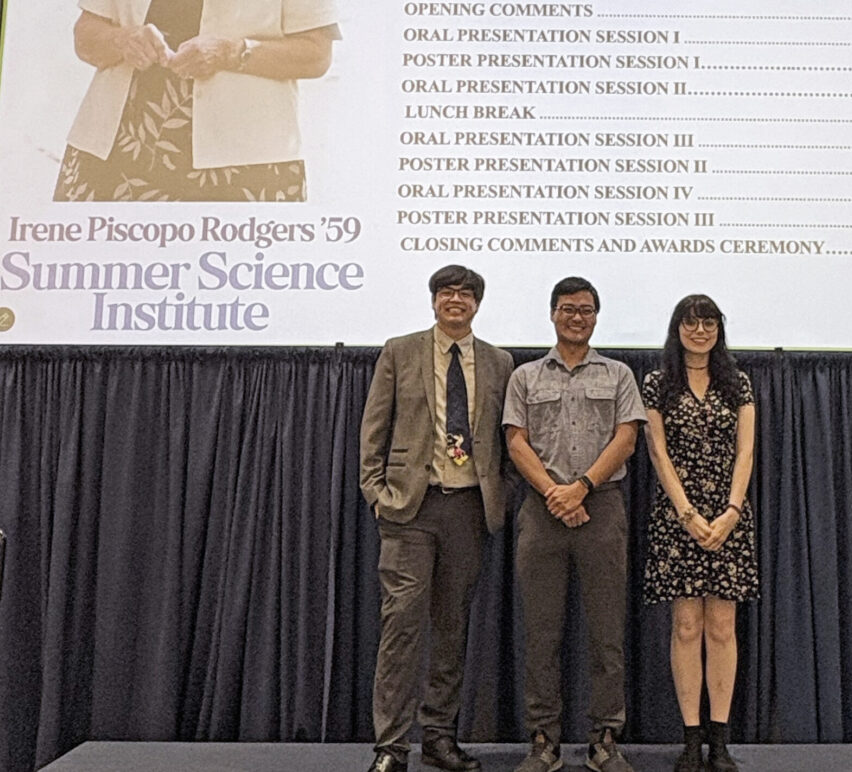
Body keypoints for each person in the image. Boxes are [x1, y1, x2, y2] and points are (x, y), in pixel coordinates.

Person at [360, 265, 515, 772]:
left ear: (477, 304)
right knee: (401, 626)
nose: (456, 300)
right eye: (447, 292)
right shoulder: (399, 350)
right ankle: (391, 746)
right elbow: (374, 429)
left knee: (452, 627)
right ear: (433, 301)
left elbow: (506, 438)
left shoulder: (499, 362)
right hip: (410, 508)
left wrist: (501, 495)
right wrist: (376, 493)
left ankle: (439, 738)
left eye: (466, 294)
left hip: (469, 509)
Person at [502, 277, 647, 772]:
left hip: (602, 508)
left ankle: (604, 737)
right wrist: (555, 494)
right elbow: (516, 442)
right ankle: (544, 740)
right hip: (541, 513)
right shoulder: (524, 377)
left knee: (606, 632)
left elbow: (627, 438)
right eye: (568, 309)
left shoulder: (620, 374)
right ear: (552, 314)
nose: (577, 317)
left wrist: (581, 488)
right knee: (541, 634)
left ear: (596, 316)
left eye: (585, 310)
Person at [55, 0, 340, 201]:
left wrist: (231, 52)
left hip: (245, 169)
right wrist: (123, 40)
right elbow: (85, 37)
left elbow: (315, 54)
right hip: (114, 157)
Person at [641, 294, 758, 772]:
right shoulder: (657, 383)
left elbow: (746, 452)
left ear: (719, 329)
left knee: (722, 628)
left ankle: (720, 741)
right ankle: (691, 739)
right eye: (691, 322)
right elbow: (657, 454)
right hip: (679, 517)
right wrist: (687, 513)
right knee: (686, 627)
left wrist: (731, 511)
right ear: (677, 328)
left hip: (729, 516)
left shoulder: (738, 383)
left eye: (709, 322)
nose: (700, 331)